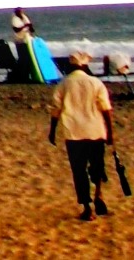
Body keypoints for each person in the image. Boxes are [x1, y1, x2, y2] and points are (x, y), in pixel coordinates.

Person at [48, 51, 114, 221]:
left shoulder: (64, 84)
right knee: (97, 166)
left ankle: (87, 208)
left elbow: (56, 109)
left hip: (74, 132)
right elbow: (106, 109)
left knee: (79, 171)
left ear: (71, 66)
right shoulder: (95, 82)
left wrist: (52, 131)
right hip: (95, 130)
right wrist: (110, 132)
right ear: (85, 65)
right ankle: (99, 195)